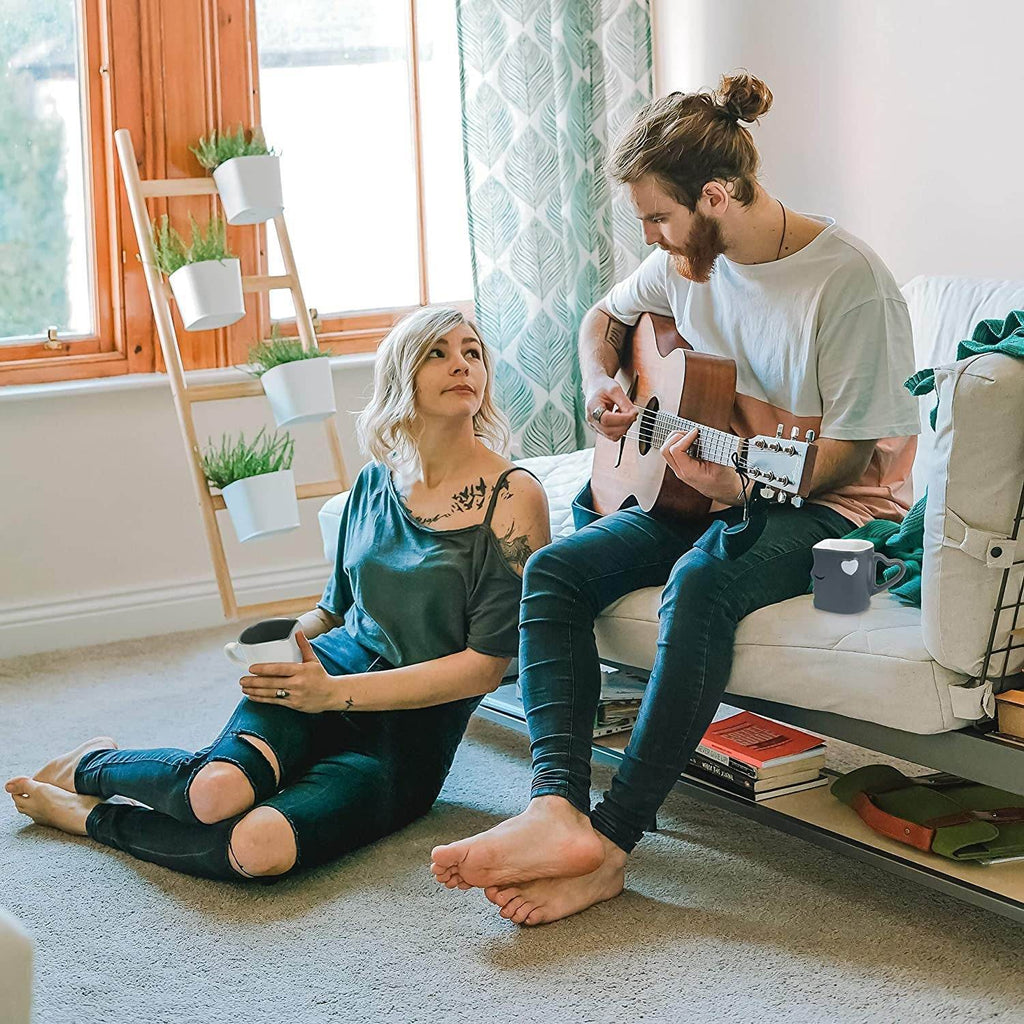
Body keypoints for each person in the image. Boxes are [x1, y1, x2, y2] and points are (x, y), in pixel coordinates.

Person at [430, 72, 921, 924]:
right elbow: (602, 319)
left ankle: (609, 842)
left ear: (718, 196)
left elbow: (848, 457)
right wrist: (600, 384)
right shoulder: (683, 263)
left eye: (659, 216)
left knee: (700, 583)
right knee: (552, 573)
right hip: (705, 487)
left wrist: (741, 481)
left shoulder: (850, 285)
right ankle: (554, 805)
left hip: (831, 507)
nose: (651, 237)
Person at [6, 306, 550, 882]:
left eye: (472, 352)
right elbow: (333, 610)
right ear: (401, 376)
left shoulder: (512, 498)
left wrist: (333, 695)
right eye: (437, 353)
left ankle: (87, 818)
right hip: (322, 675)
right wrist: (283, 639)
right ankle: (95, 764)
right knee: (214, 794)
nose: (461, 364)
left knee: (258, 848)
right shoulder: (374, 480)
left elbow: (485, 668)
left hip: (407, 732)